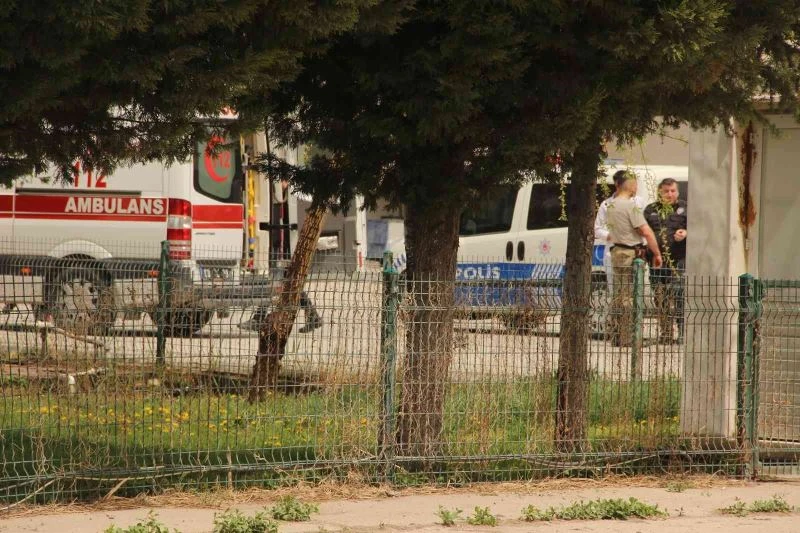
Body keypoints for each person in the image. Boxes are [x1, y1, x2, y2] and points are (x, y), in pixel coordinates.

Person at [239, 179, 323, 333]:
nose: (281, 183)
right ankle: (313, 316)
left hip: (284, 246)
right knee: (288, 283)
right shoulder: (278, 197)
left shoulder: (287, 197)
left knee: (279, 282)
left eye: (283, 180)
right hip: (282, 245)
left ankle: (259, 318)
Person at [606, 171, 662, 347]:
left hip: (617, 252)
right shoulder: (630, 206)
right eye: (635, 184)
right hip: (630, 253)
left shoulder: (610, 205)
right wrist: (657, 253)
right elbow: (645, 231)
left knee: (619, 295)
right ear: (629, 185)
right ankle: (627, 337)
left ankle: (617, 334)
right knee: (629, 298)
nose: (636, 187)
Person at [644, 178, 687, 344]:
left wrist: (685, 233)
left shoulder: (685, 208)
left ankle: (683, 331)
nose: (670, 194)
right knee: (660, 296)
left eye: (673, 191)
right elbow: (643, 232)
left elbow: (698, 227)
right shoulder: (651, 210)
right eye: (666, 191)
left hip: (678, 259)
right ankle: (666, 333)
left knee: (679, 293)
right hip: (656, 261)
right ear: (659, 192)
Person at [594, 170, 646, 302]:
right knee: (617, 292)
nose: (635, 187)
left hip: (637, 253)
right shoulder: (606, 204)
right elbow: (597, 229)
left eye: (635, 184)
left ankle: (633, 322)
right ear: (618, 184)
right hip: (614, 253)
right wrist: (611, 236)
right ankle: (619, 321)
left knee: (635, 292)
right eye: (631, 184)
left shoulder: (639, 203)